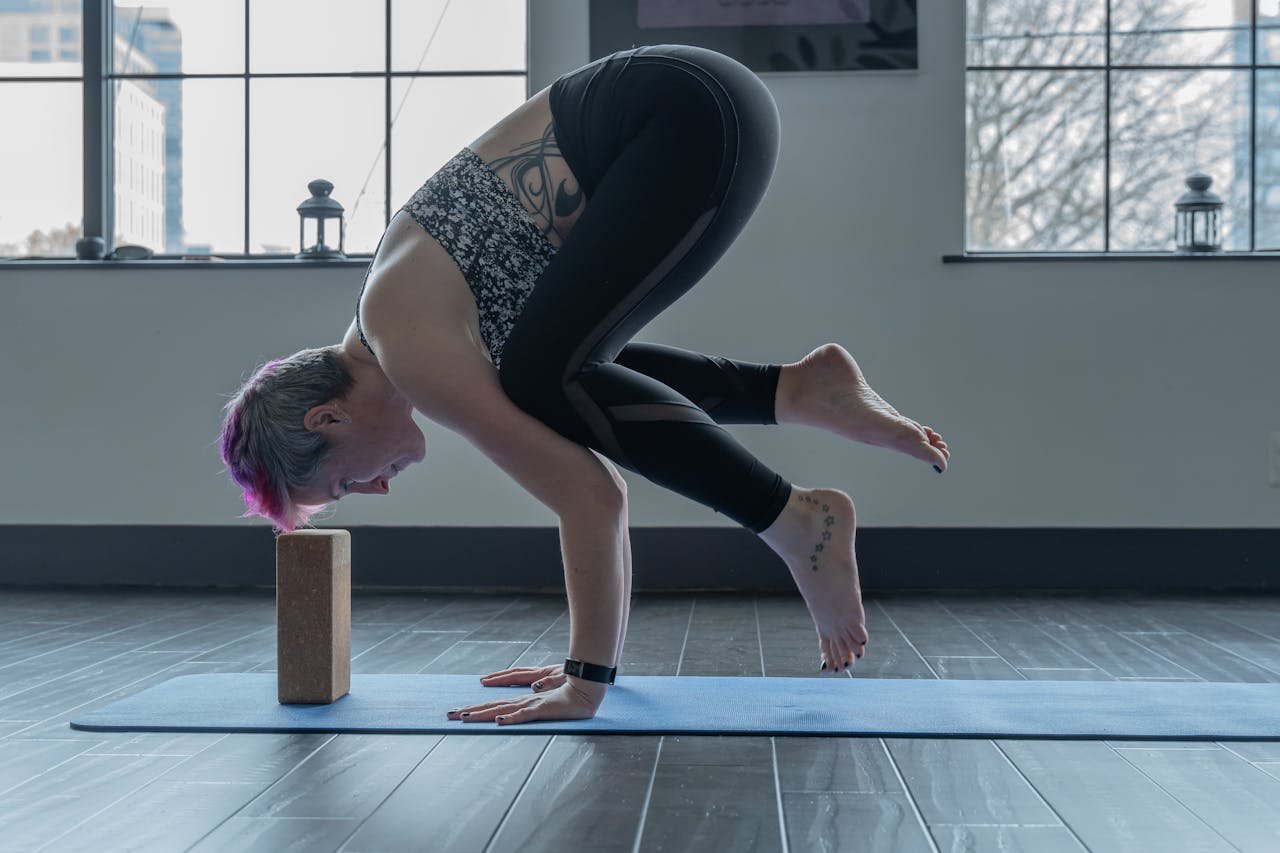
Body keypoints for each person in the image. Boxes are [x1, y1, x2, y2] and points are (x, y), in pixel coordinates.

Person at [218, 44, 950, 727]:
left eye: (345, 485)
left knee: (541, 376)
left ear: (327, 419)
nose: (377, 491)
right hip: (698, 102)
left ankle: (796, 520)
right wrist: (584, 664)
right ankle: (797, 390)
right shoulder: (408, 314)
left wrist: (585, 680)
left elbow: (591, 496)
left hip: (684, 114)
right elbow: (590, 427)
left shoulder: (408, 345)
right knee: (549, 370)